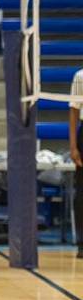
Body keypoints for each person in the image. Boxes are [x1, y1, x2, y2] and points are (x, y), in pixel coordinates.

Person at [69, 67, 83, 259]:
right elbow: (73, 111)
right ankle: (82, 242)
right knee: (82, 192)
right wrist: (73, 146)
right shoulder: (80, 76)